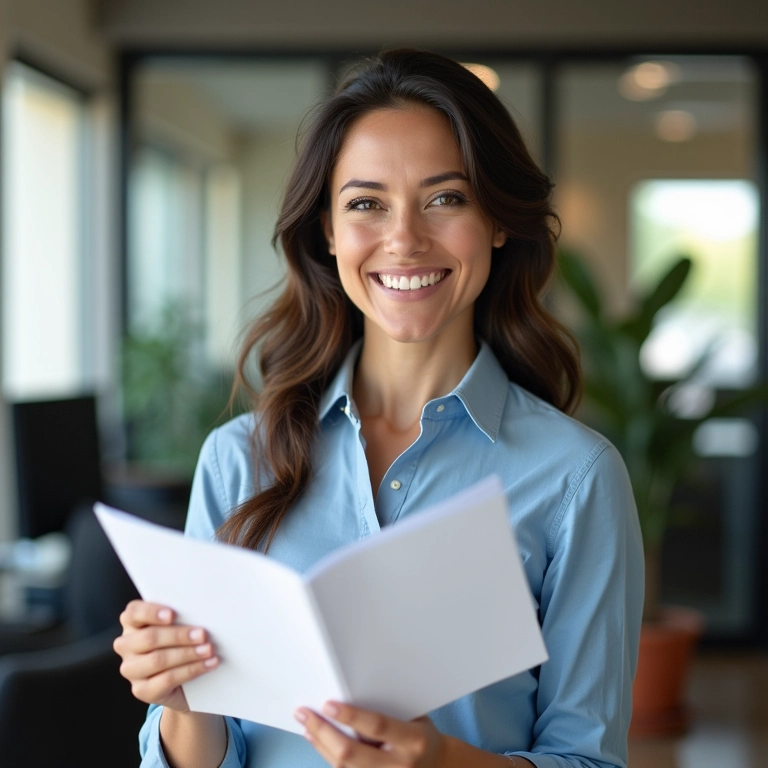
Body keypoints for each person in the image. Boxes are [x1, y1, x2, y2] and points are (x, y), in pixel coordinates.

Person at [114, 49, 644, 768]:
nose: (404, 239)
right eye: (366, 204)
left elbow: (590, 759)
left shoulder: (575, 478)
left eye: (445, 198)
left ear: (496, 221)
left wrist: (443, 762)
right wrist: (180, 703)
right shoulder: (237, 460)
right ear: (328, 233)